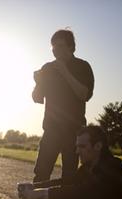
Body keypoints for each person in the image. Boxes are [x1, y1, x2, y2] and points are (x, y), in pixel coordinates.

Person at [32, 29, 95, 182]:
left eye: (60, 46)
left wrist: (64, 71)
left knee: (70, 177)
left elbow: (84, 94)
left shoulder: (83, 66)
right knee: (41, 173)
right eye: (53, 46)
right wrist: (37, 82)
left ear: (70, 46)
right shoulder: (47, 68)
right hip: (51, 129)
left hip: (74, 131)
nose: (55, 50)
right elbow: (37, 98)